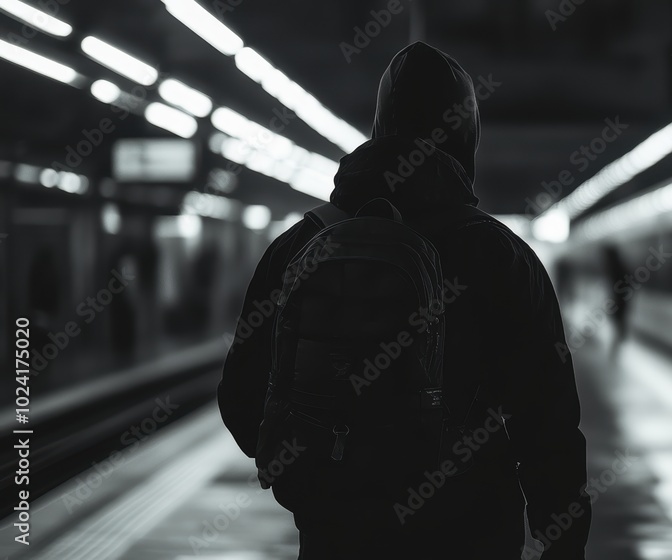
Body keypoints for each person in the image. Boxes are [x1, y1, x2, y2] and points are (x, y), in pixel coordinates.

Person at [218, 41, 591, 560]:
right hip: (471, 535)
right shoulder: (502, 256)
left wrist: (324, 479)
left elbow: (242, 394)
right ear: (468, 138)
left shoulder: (301, 245)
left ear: (378, 128)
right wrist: (563, 540)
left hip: (339, 536)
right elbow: (548, 425)